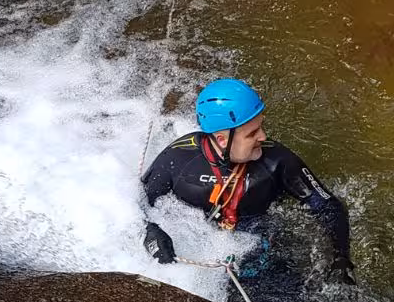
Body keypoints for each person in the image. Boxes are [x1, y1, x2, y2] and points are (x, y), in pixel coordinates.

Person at [140, 78, 356, 284]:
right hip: (198, 243)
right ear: (222, 140)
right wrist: (150, 232)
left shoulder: (277, 161)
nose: (263, 136)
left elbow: (328, 206)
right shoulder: (178, 159)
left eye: (261, 127)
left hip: (263, 244)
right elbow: (135, 203)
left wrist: (341, 258)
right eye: (252, 133)